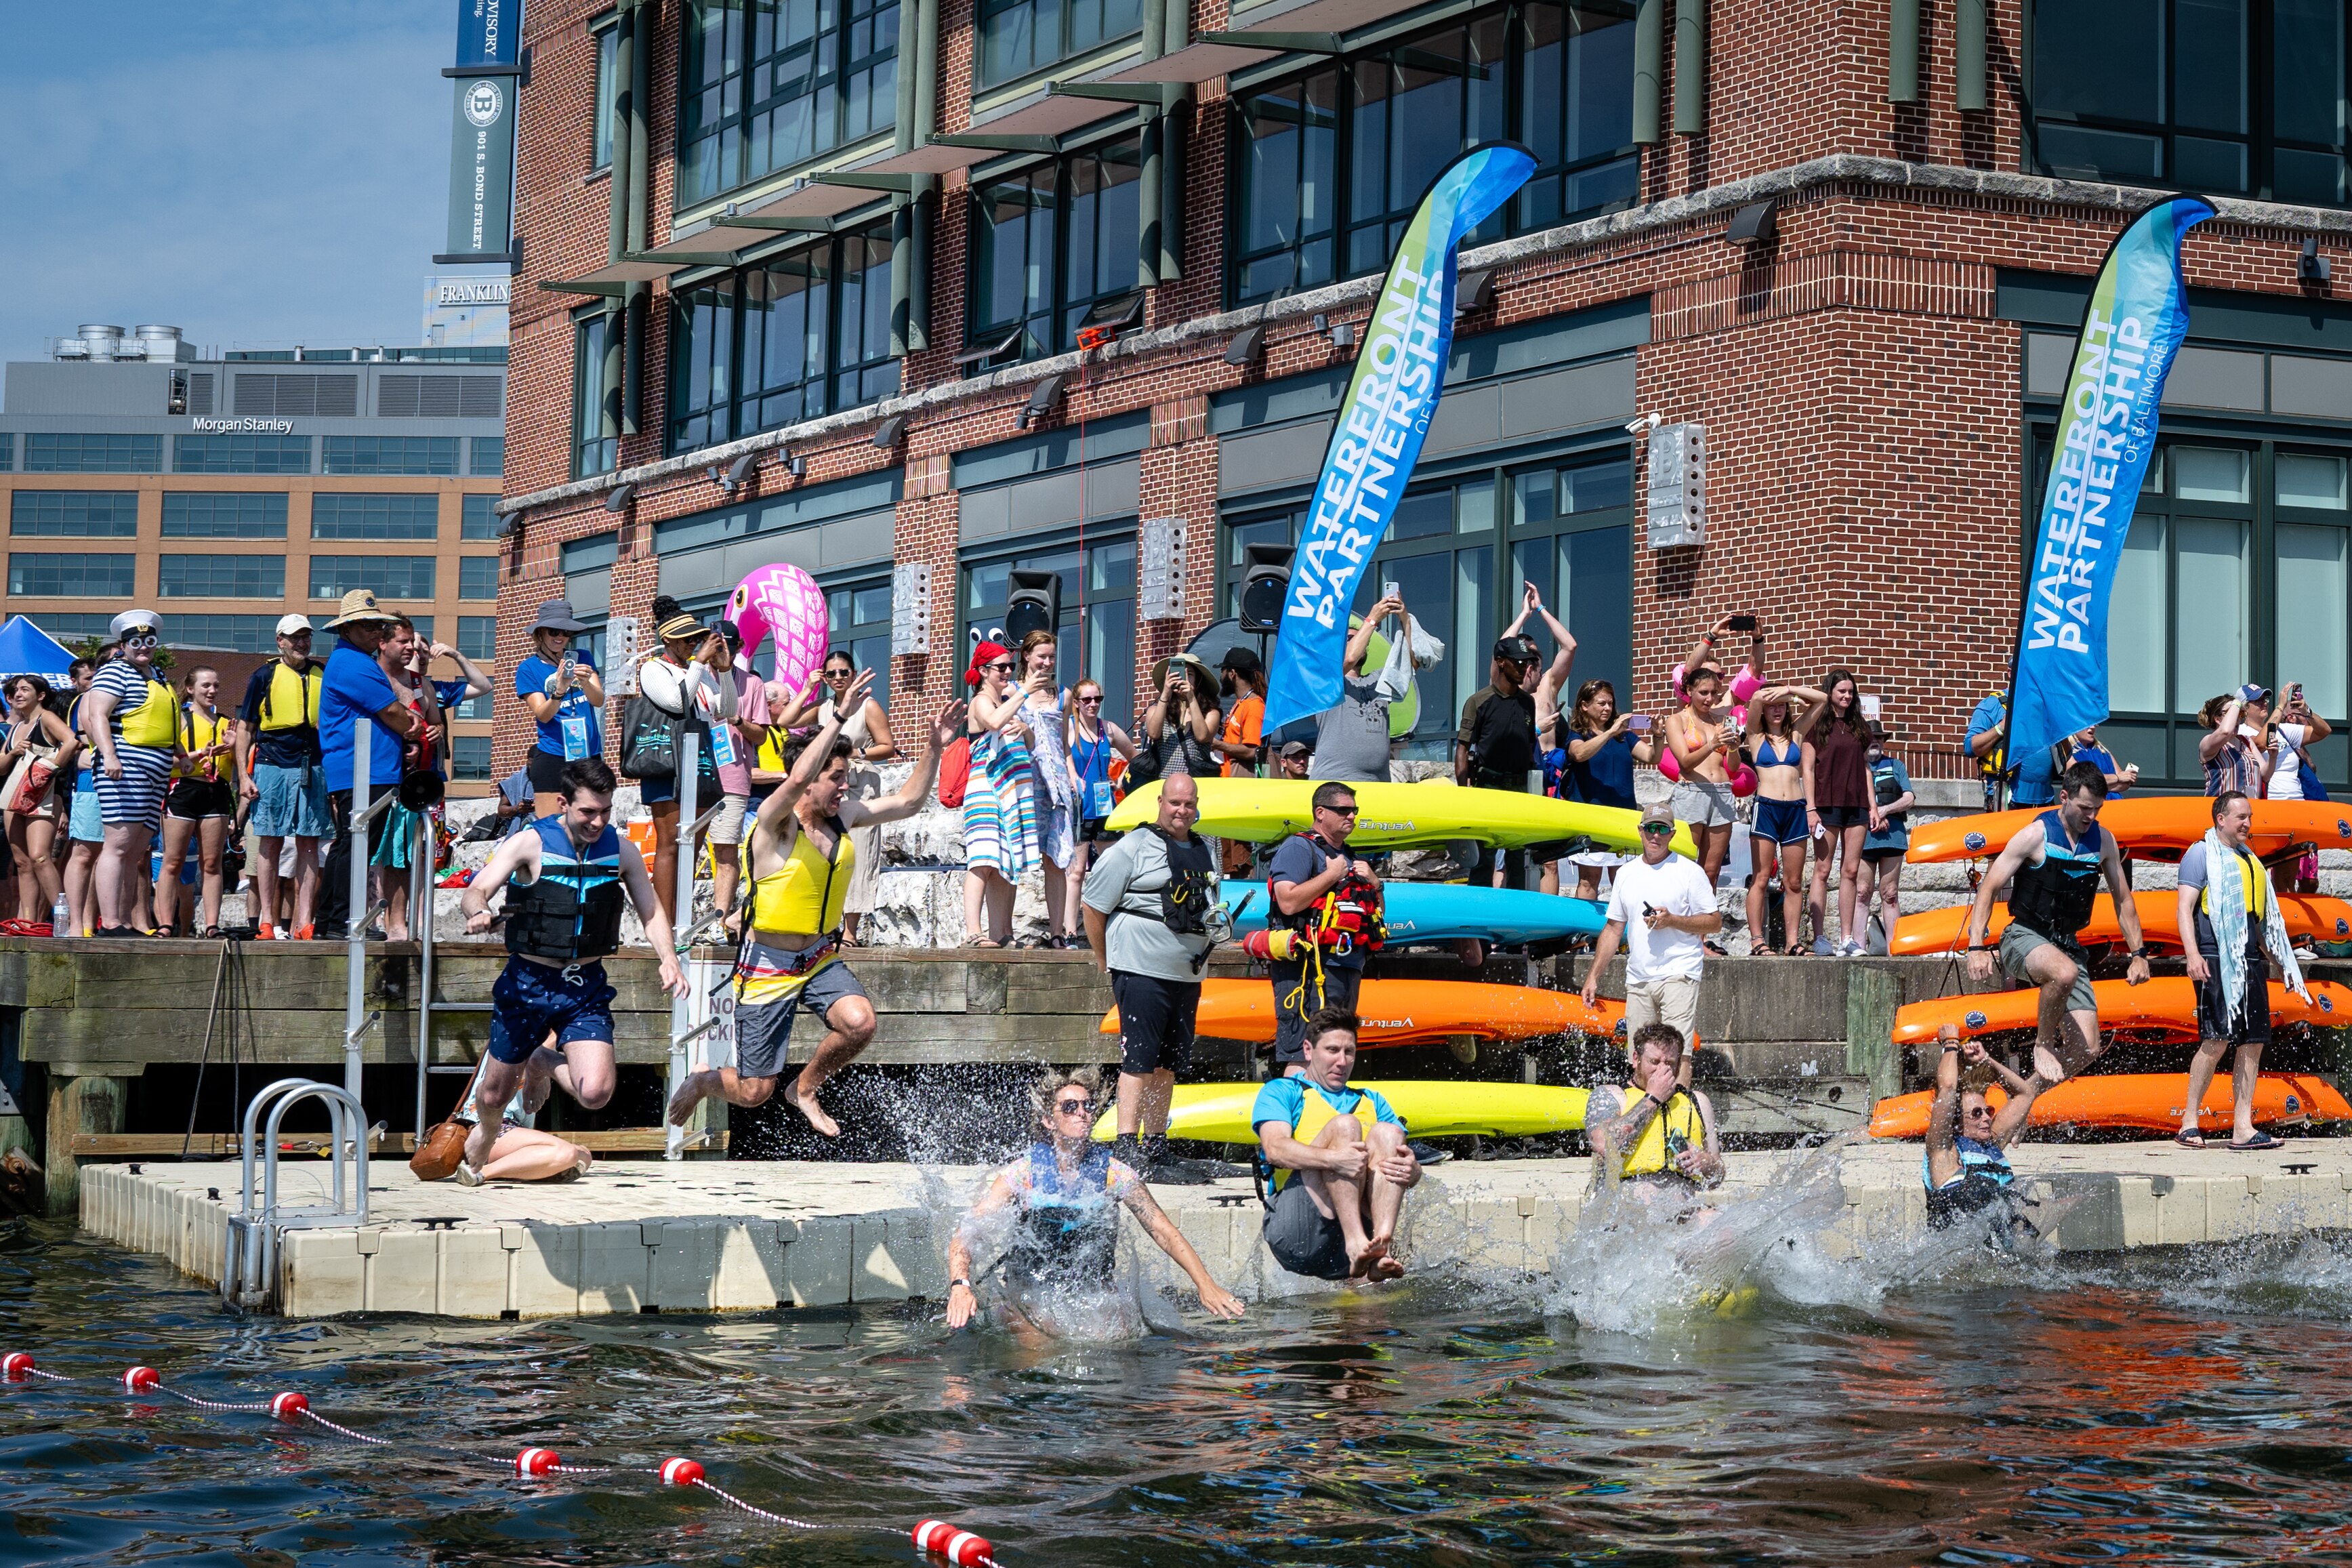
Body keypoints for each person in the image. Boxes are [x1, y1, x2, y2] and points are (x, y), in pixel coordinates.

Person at [667, 676, 961, 1139]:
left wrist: (934, 748)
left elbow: (907, 802)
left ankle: (804, 1089)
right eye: (836, 778)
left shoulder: (843, 818)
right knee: (753, 1091)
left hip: (820, 955)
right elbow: (799, 775)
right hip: (767, 963)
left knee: (859, 1023)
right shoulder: (774, 825)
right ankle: (706, 1080)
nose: (845, 788)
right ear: (808, 781)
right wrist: (839, 715)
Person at [459, 757, 687, 1179]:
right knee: (493, 1097)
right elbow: (476, 890)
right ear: (563, 803)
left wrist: (669, 959)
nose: (598, 821)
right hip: (528, 982)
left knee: (597, 1093)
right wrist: (478, 911)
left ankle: (543, 1061)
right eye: (588, 811)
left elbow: (652, 910)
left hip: (583, 984)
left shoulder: (621, 851)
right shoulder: (530, 843)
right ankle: (488, 1133)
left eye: (605, 811)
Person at [945, 1067, 1246, 1334]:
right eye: (1070, 1106)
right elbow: (968, 1232)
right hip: (1030, 1293)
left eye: (1087, 1106)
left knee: (1123, 1339)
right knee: (1039, 1342)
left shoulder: (1116, 1175)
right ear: (1049, 1121)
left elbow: (1163, 1232)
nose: (1081, 1112)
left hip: (1092, 1292)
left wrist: (1205, 1284)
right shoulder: (1023, 1175)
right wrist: (961, 1286)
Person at [1963, 760, 2151, 1084]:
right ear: (2064, 797)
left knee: (2087, 1049)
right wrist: (1976, 946)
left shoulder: (2103, 841)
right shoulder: (2035, 835)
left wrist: (2139, 954)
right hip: (2023, 936)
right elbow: (1990, 887)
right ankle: (2043, 1043)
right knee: (2064, 972)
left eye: (2097, 809)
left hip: (2067, 945)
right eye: (2083, 808)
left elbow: (2123, 900)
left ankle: (2022, 1099)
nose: (2090, 816)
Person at [1081, 772, 1219, 1180]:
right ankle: (1127, 1149)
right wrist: (1107, 958)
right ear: (1161, 802)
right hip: (1140, 966)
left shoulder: (1202, 848)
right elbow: (1093, 905)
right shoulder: (1133, 846)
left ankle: (1157, 1147)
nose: (1182, 810)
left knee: (1168, 1063)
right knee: (1139, 1059)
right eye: (1175, 803)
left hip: (1186, 971)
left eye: (1189, 804)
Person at [2176, 790, 2308, 1151]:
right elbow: (2184, 910)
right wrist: (2191, 955)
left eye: (2249, 817)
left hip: (2249, 957)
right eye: (2241, 817)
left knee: (2253, 1042)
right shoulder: (2200, 854)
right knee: (2216, 1038)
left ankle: (2243, 1127)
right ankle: (2189, 1122)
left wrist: (2279, 962)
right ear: (2221, 819)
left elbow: (2260, 921)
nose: (2248, 823)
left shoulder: (2251, 860)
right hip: (2214, 955)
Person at [1253, 1010, 1420, 1281]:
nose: (1342, 1061)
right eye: (1332, 1050)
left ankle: (1381, 1251)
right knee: (1346, 1126)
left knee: (1389, 1134)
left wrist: (1413, 1172)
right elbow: (1275, 1149)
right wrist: (1333, 1160)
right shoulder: (1282, 1090)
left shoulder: (1373, 1101)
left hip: (1358, 1245)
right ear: (1308, 1050)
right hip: (1300, 1235)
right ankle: (1355, 1242)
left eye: (1349, 1052)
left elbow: (1405, 1165)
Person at [1582, 801, 1721, 1084]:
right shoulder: (1626, 874)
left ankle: (1680, 1119)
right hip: (1639, 977)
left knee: (1677, 1054)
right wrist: (1593, 976)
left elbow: (1714, 922)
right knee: (1639, 1056)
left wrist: (1673, 921)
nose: (1655, 835)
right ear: (1640, 831)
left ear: (1671, 834)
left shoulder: (1689, 872)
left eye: (1662, 830)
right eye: (1650, 829)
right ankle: (1645, 1115)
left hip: (1679, 973)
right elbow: (1612, 928)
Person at [316, 591, 425, 941]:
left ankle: (332, 922)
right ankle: (340, 922)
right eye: (367, 625)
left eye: (378, 624)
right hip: (360, 770)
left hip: (368, 768)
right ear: (346, 629)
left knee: (351, 844)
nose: (376, 630)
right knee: (355, 844)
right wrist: (416, 727)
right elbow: (393, 713)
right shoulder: (353, 664)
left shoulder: (354, 660)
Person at [1263, 782, 1384, 1073]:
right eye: (1343, 810)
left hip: (1347, 966)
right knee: (1304, 1051)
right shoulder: (1298, 847)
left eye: (1354, 810)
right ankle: (1298, 1115)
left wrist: (1376, 884)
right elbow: (1288, 901)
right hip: (1307, 970)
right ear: (1320, 812)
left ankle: (1330, 1116)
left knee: (1338, 1049)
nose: (1352, 816)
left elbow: (1375, 917)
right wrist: (1331, 875)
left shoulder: (1353, 858)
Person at [638, 596, 737, 928]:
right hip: (667, 762)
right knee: (669, 843)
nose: (694, 644)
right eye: (687, 640)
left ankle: (681, 919)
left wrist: (722, 672)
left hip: (701, 760)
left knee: (692, 845)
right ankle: (663, 923)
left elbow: (728, 710)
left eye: (696, 638)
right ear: (668, 641)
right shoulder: (653, 668)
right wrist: (699, 664)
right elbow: (676, 702)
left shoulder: (700, 671)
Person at [80, 609, 179, 938]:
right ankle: (110, 923)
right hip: (126, 765)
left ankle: (122, 920)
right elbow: (97, 716)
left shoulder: (158, 674)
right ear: (123, 645)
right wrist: (109, 755)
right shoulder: (113, 672)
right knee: (119, 844)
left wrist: (180, 755)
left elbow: (166, 717)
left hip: (157, 768)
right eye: (135, 642)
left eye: (149, 641)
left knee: (137, 849)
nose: (143, 648)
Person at [235, 615, 327, 940]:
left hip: (313, 765)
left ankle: (304, 921)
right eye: (294, 637)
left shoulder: (321, 674)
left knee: (310, 843)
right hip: (272, 764)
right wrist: (244, 779)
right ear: (280, 641)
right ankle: (267, 921)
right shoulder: (264, 675)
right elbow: (245, 729)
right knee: (270, 841)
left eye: (306, 637)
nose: (301, 643)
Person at [1921, 1023, 2044, 1240]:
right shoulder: (1945, 1153)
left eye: (1988, 1111)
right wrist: (1951, 1044)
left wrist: (1987, 1060)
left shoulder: (1992, 1144)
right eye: (1976, 1113)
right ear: (1957, 1122)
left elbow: (2025, 1094)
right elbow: (1948, 1087)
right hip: (1956, 1264)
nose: (1987, 1118)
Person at [1584, 1023, 1725, 1198]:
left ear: (1679, 1065)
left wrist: (1705, 1162)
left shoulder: (1698, 1102)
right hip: (1625, 1215)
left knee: (1721, 1222)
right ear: (1636, 1059)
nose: (1662, 1069)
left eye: (1670, 1063)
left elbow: (1718, 1176)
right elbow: (1603, 1145)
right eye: (1654, 1062)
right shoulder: (1612, 1095)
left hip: (1682, 1214)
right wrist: (1652, 1099)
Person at [962, 640, 1037, 949]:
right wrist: (1025, 690)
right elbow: (992, 722)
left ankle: (1001, 933)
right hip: (986, 789)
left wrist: (1026, 729)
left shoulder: (1006, 703)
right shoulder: (981, 701)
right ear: (983, 671)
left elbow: (1030, 744)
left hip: (1010, 793)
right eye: (1001, 667)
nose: (1008, 672)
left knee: (1006, 861)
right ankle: (972, 931)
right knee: (982, 859)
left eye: (1010, 666)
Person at [1741, 683, 1827, 955]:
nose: (1776, 710)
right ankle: (1757, 940)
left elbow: (1822, 700)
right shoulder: (1756, 736)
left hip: (1794, 809)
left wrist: (1789, 690)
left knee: (1794, 882)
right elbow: (1754, 698)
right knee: (1762, 877)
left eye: (1781, 705)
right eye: (1771, 706)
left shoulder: (1797, 734)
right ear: (1764, 711)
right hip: (1766, 808)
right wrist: (1769, 695)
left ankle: (1792, 942)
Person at [1559, 678, 1660, 903]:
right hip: (1591, 816)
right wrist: (1610, 732)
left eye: (1610, 703)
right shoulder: (1578, 735)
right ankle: (1585, 933)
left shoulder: (1624, 736)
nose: (1608, 708)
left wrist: (1658, 735)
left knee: (1624, 878)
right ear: (1585, 706)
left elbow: (1652, 757)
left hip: (1623, 814)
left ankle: (1626, 932)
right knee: (1589, 879)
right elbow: (1579, 754)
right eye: (1601, 703)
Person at [704, 621, 776, 936]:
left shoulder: (752, 684)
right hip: (695, 773)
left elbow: (760, 736)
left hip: (733, 776)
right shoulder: (696, 677)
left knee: (726, 850)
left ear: (739, 647)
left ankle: (719, 924)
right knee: (682, 848)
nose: (723, 653)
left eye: (729, 647)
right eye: (717, 646)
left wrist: (737, 720)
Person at [1456, 632, 1542, 890]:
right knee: (1483, 860)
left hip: (1519, 791)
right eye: (1518, 662)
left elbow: (1529, 748)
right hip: (1486, 789)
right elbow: (1462, 750)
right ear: (1501, 662)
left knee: (1518, 859)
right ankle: (1476, 923)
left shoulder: (1528, 703)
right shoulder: (1479, 702)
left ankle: (1515, 925)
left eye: (1527, 662)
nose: (1524, 668)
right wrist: (1464, 795)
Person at [822, 648, 896, 947]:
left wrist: (857, 752)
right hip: (830, 788)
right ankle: (828, 925)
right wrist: (807, 688)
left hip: (861, 784)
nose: (838, 678)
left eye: (843, 672)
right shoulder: (824, 707)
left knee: (860, 855)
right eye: (831, 674)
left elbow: (887, 746)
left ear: (853, 673)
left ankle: (851, 932)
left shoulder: (868, 705)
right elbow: (787, 719)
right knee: (828, 854)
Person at [156, 665, 236, 937]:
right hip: (184, 791)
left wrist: (235, 747)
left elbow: (237, 767)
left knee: (212, 863)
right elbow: (166, 763)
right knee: (173, 861)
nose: (212, 691)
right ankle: (166, 924)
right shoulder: (179, 720)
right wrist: (199, 754)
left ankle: (212, 925)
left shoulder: (226, 723)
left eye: (215, 686)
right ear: (190, 689)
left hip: (216, 793)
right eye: (205, 686)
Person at [1512, 583, 1581, 895]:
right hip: (1520, 769)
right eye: (1524, 660)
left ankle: (1544, 931)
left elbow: (1570, 646)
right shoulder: (1509, 693)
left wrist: (1539, 610)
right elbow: (1502, 646)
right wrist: (1522, 615)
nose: (1531, 666)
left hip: (1549, 773)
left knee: (1550, 859)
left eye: (1535, 659)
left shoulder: (1549, 685)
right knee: (1512, 854)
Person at [1015, 630, 1079, 949]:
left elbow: (1065, 744)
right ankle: (1003, 932)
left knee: (1057, 860)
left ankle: (1058, 932)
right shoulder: (1012, 692)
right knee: (1015, 856)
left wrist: (1073, 777)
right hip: (1024, 781)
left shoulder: (1063, 695)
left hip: (1055, 784)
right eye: (1041, 656)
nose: (1047, 662)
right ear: (1026, 656)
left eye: (1052, 656)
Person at [1803, 669, 1874, 957]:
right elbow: (1807, 769)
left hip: (1856, 803)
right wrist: (1811, 808)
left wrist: (1874, 806)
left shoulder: (1860, 727)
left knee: (1851, 871)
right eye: (1841, 691)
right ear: (1830, 692)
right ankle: (1820, 937)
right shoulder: (1816, 726)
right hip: (1826, 804)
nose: (1847, 696)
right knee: (1822, 869)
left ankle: (1847, 938)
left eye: (1850, 691)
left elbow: (1866, 768)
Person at [514, 600, 604, 820]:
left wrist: (584, 681)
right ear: (541, 633)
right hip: (553, 757)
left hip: (588, 755)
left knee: (591, 823)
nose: (560, 637)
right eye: (554, 631)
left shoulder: (583, 657)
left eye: (566, 632)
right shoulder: (529, 668)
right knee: (552, 829)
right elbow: (543, 714)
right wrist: (559, 691)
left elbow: (598, 700)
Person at [435, 1060, 595, 1183]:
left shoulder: (526, 1034)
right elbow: (544, 1044)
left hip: (510, 1129)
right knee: (567, 1154)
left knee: (583, 1155)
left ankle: (516, 1168)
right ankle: (480, 1172)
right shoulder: (522, 1037)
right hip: (488, 1126)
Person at [0, 674, 75, 933]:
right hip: (13, 795)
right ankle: (28, 922)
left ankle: (63, 915)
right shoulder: (15, 727)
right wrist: (12, 752)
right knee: (22, 863)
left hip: (42, 795)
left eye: (25, 689)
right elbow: (1, 767)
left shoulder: (47, 718)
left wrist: (51, 768)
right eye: (15, 690)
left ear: (40, 695)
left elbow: (72, 741)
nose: (18, 694)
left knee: (41, 857)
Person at [1311, 596, 1411, 783]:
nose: (1360, 642)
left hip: (1377, 783)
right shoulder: (1326, 678)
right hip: (1335, 781)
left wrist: (1404, 617)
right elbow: (1349, 659)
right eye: (1351, 638)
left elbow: (1411, 662)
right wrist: (1372, 619)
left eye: (1361, 638)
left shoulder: (1377, 681)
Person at [1664, 663, 1738, 902]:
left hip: (1722, 793)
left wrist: (1735, 748)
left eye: (1714, 693)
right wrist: (1713, 744)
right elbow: (1685, 762)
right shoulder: (1677, 720)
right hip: (1691, 792)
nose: (1709, 699)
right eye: (1703, 693)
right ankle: (1678, 926)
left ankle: (1701, 935)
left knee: (1711, 872)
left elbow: (1734, 768)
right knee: (1684, 866)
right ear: (1690, 691)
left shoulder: (1721, 721)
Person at [1065, 675, 1136, 926]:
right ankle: (1070, 931)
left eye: (1098, 699)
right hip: (1080, 807)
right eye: (1087, 700)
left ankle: (1114, 924)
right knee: (1076, 872)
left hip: (1105, 805)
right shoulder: (1070, 729)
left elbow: (1135, 758)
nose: (1093, 704)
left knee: (1114, 867)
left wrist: (1122, 781)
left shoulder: (1109, 729)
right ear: (1077, 702)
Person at [2263, 686, 2330, 893]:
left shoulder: (2294, 740)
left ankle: (2299, 920)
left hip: (2304, 814)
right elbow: (2260, 743)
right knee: (2284, 877)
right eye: (2297, 716)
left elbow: (2324, 731)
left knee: (2309, 881)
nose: (2302, 719)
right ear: (2290, 718)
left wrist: (2307, 711)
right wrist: (2281, 706)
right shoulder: (2268, 735)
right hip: (2278, 812)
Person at [1856, 724, 1915, 954]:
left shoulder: (1896, 765)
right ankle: (1857, 947)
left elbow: (1909, 797)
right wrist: (1873, 815)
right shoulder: (1856, 768)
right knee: (1862, 892)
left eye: (1879, 738)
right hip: (1864, 837)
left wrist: (1885, 810)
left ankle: (1894, 949)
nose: (1875, 742)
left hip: (1893, 837)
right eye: (1871, 738)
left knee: (1890, 894)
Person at [1214, 647, 1267, 876]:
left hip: (1241, 790)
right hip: (1229, 788)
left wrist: (1215, 744)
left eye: (1223, 671)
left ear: (1232, 673)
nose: (1221, 676)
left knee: (1242, 861)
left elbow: (1251, 751)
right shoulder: (1241, 704)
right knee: (1231, 861)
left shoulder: (1254, 706)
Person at [62, 656, 102, 938]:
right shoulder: (82, 703)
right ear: (76, 683)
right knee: (86, 853)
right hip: (89, 785)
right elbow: (78, 743)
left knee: (110, 856)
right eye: (88, 679)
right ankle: (78, 924)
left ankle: (95, 922)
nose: (94, 683)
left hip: (119, 783)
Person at [1142, 653, 1222, 780]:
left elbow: (1202, 736)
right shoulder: (1157, 710)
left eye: (1189, 674)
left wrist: (1191, 697)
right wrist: (1165, 694)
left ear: (1199, 680)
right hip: (1164, 782)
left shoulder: (1211, 713)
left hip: (1196, 783)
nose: (1182, 679)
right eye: (1178, 674)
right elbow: (1153, 733)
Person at [2198, 686, 2272, 799]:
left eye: (2240, 715)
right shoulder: (2208, 742)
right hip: (2222, 811)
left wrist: (2273, 756)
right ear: (2217, 719)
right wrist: (2237, 702)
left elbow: (2265, 776)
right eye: (2231, 714)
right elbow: (2225, 731)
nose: (2237, 718)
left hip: (2251, 809)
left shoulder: (2247, 742)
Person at [2055, 725, 2137, 800]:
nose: (2093, 727)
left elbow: (2124, 784)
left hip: (2114, 805)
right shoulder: (2068, 752)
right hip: (2088, 808)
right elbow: (2083, 780)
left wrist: (2096, 786)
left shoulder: (2102, 750)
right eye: (2088, 724)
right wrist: (2117, 778)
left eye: (2095, 724)